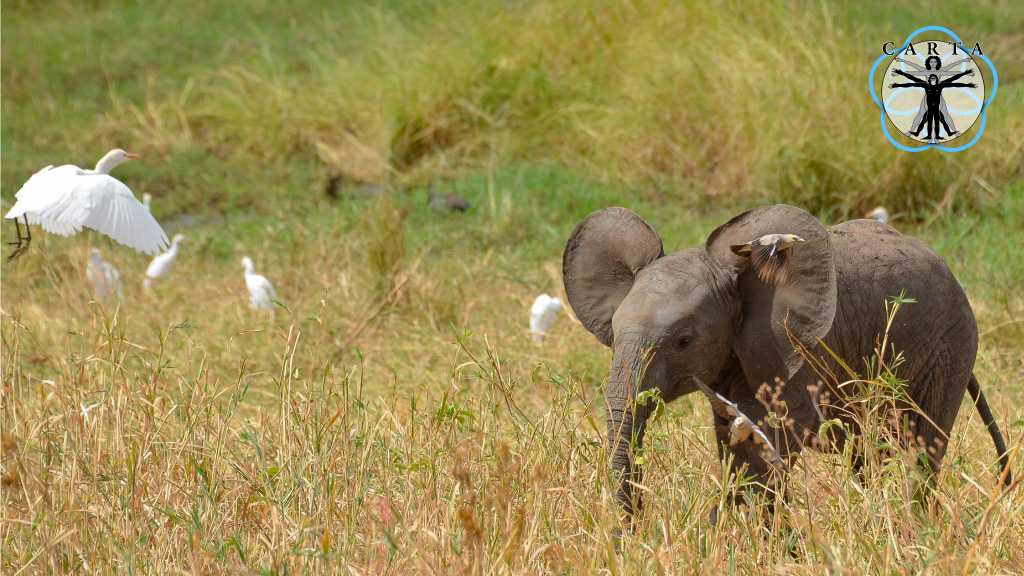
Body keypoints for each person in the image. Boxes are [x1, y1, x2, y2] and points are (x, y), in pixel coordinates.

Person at [889, 69, 976, 141]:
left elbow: (954, 82)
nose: (933, 80)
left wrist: (967, 80)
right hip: (930, 107)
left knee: (939, 121)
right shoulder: (926, 85)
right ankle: (929, 136)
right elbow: (912, 82)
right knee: (928, 121)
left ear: (936, 80)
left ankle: (937, 135)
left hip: (937, 107)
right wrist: (898, 82)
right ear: (929, 80)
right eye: (931, 79)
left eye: (934, 79)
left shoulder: (940, 85)